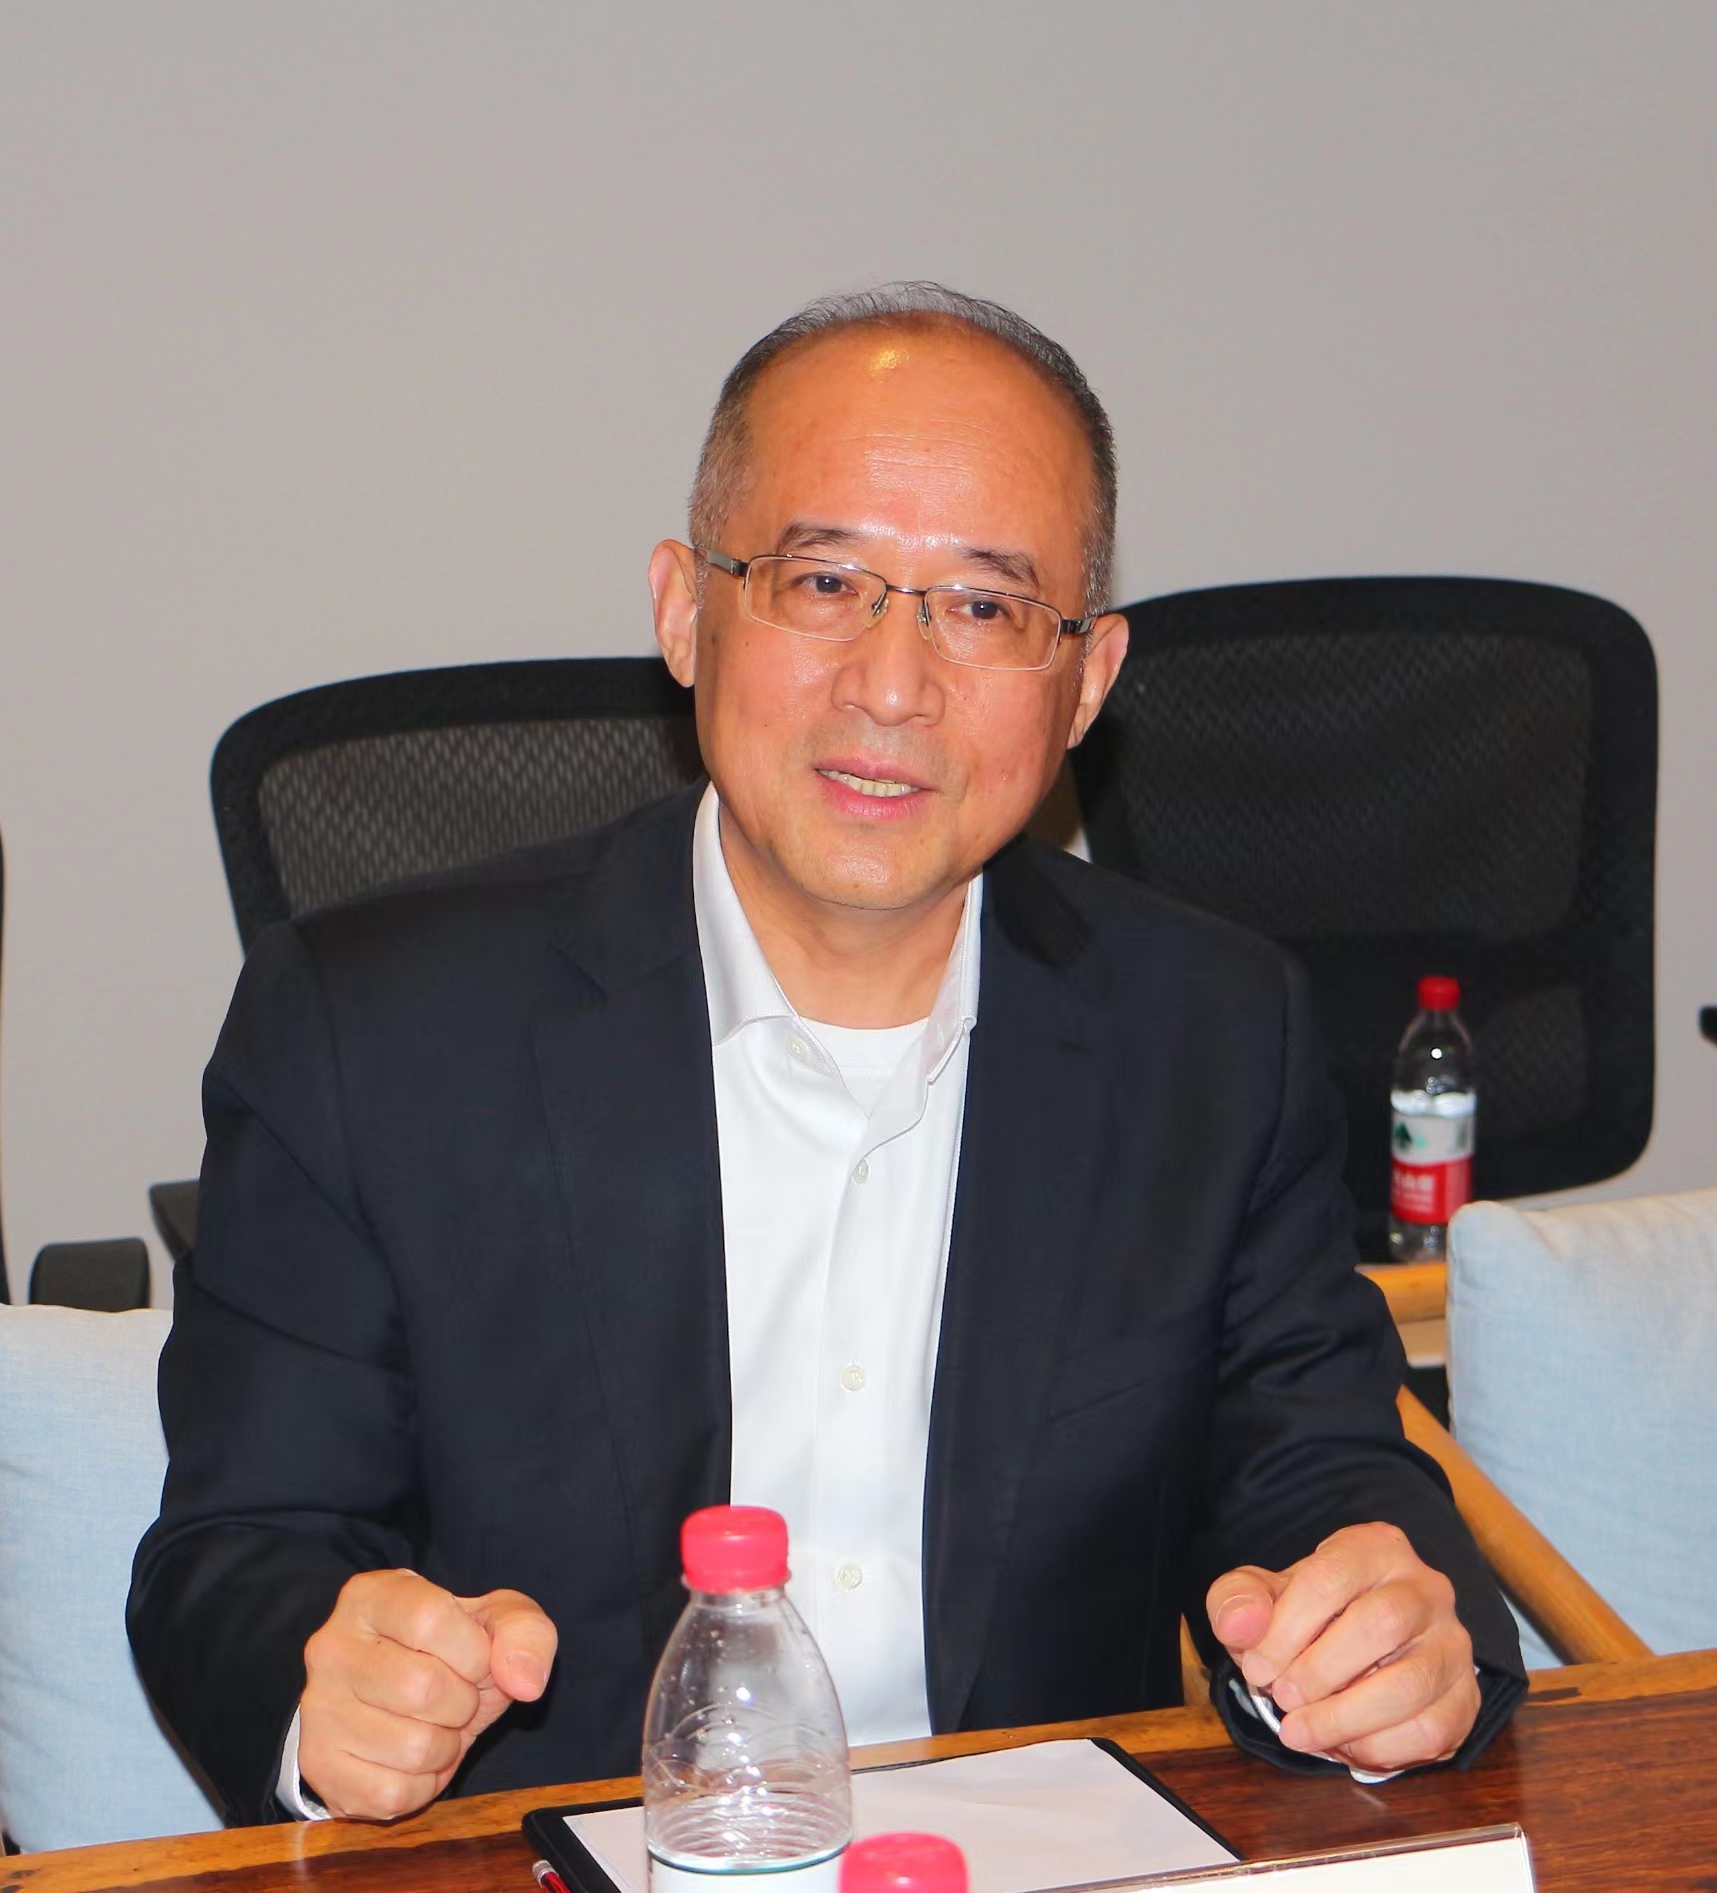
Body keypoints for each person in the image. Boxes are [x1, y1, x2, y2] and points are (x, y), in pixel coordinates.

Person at [129, 283, 1523, 1827]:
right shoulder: (373, 1028)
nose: (892, 684)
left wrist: (1380, 1636)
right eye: (824, 582)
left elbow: (1321, 1472)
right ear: (684, 610)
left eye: (983, 607)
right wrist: (328, 1692)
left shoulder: (1212, 1032)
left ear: (1086, 680)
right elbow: (241, 1552)